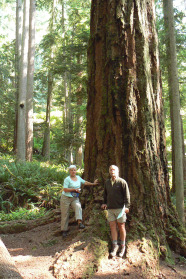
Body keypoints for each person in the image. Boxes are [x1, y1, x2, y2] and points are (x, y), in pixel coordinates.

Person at [60, 165, 99, 237]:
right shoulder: (67, 179)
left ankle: (79, 223)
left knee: (78, 206)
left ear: (76, 171)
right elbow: (65, 189)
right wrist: (74, 189)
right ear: (69, 171)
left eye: (74, 170)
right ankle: (64, 230)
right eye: (71, 170)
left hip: (74, 198)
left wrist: (93, 184)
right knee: (65, 213)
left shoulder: (78, 178)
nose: (73, 171)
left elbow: (85, 182)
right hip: (65, 198)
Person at [101, 165, 130, 258]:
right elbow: (105, 194)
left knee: (121, 226)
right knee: (112, 226)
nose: (112, 171)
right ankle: (115, 246)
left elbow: (127, 195)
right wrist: (104, 203)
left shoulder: (122, 182)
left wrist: (127, 206)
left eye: (114, 170)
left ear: (117, 171)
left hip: (120, 209)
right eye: (110, 170)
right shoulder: (107, 182)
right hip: (110, 209)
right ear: (109, 171)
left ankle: (122, 246)